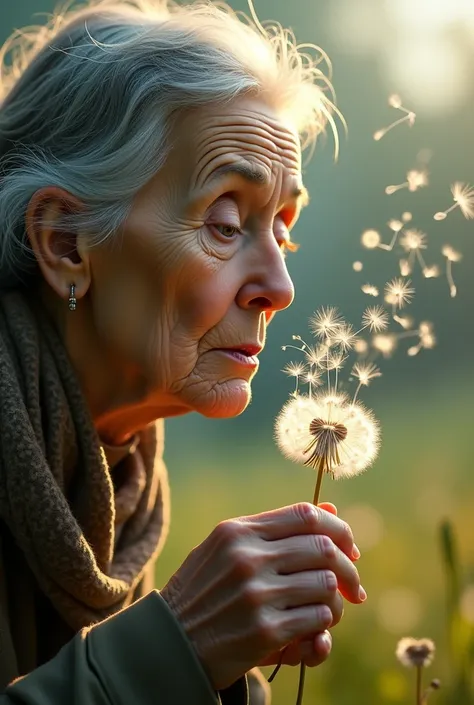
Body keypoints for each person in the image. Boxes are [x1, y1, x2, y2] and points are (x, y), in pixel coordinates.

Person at [0, 1, 366, 703]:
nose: (279, 287)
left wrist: (219, 674)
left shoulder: (117, 488)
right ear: (66, 244)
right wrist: (179, 643)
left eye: (282, 231)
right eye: (226, 223)